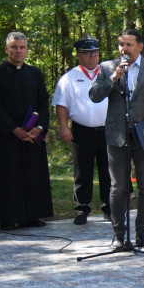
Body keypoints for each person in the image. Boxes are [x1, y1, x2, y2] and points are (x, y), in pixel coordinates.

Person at [90, 28, 144, 250]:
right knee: (118, 187)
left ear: (140, 46)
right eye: (120, 44)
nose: (123, 49)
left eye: (128, 44)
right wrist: (114, 78)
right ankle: (118, 235)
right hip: (117, 135)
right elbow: (94, 96)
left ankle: (142, 233)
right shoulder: (107, 68)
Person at [0, 33, 55, 230]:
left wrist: (40, 127)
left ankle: (31, 215)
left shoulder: (35, 73)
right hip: (6, 135)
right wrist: (14, 129)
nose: (18, 51)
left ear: (27, 49)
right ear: (6, 49)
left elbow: (43, 102)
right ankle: (7, 217)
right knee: (7, 176)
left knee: (32, 174)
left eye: (22, 47)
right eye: (14, 47)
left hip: (32, 134)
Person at [53, 37, 111, 225]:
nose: (92, 56)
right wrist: (63, 126)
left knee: (108, 171)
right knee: (82, 172)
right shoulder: (69, 77)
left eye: (95, 52)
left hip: (107, 130)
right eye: (87, 53)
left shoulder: (109, 74)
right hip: (81, 131)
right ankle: (81, 209)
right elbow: (61, 104)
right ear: (78, 55)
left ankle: (109, 207)